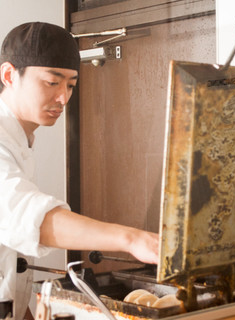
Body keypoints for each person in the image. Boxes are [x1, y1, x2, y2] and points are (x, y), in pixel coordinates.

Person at [0, 22, 159, 319]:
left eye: (71, 85)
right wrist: (133, 240)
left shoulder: (20, 140)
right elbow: (31, 217)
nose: (63, 98)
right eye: (52, 82)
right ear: (9, 75)